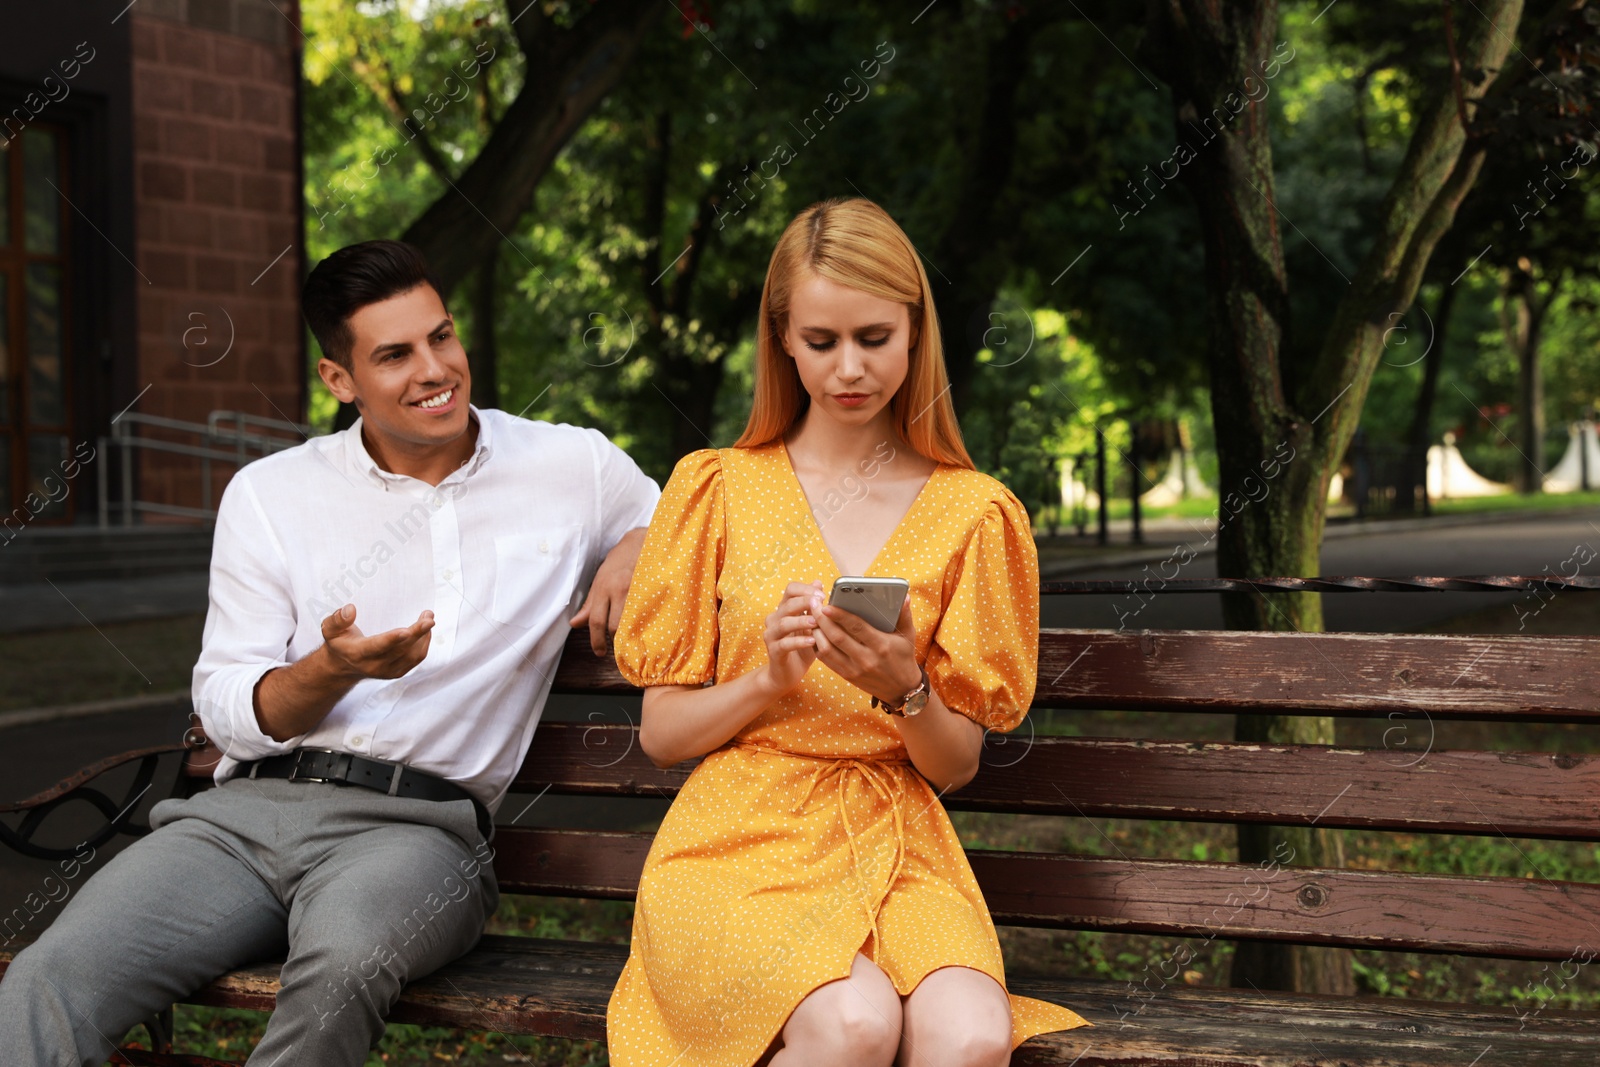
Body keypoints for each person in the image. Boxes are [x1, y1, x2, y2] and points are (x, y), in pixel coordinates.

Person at [0, 240, 661, 1066]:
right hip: (239, 823)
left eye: (441, 337)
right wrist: (331, 669)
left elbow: (688, 516)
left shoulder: (572, 466)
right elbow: (227, 703)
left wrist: (640, 542)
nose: (435, 369)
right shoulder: (273, 493)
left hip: (419, 832)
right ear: (338, 379)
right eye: (395, 354)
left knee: (341, 965)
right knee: (49, 976)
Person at [605, 198, 1090, 1067]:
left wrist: (907, 687)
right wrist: (765, 679)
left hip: (897, 837)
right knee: (854, 1024)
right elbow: (660, 736)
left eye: (874, 337)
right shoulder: (715, 487)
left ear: (915, 332)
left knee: (972, 1034)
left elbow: (955, 766)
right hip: (738, 842)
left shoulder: (974, 511)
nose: (849, 367)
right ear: (783, 339)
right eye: (821, 341)